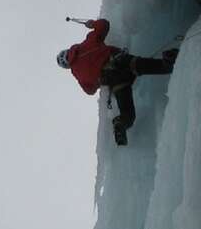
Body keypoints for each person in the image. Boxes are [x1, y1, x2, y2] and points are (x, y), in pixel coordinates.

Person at [56, 18, 178, 146]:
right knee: (147, 66)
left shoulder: (78, 76)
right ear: (68, 50)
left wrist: (93, 78)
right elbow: (104, 25)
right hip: (119, 61)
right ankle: (169, 60)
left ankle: (120, 123)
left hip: (115, 81)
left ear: (68, 66)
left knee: (128, 114)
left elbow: (90, 91)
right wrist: (92, 24)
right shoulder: (87, 43)